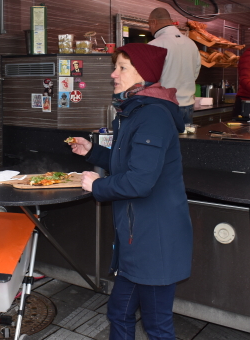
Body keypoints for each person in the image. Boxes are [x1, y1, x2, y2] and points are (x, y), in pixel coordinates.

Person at [67, 43, 193, 340]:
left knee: (156, 325)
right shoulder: (134, 111)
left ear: (144, 75)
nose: (114, 74)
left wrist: (97, 185)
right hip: (141, 236)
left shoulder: (152, 116)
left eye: (122, 67)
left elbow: (140, 180)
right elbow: (128, 161)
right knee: (120, 313)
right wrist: (93, 152)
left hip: (154, 240)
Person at [147, 7, 201, 124]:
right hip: (188, 106)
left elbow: (147, 79)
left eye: (149, 24)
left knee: (164, 142)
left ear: (154, 22)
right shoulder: (191, 44)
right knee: (185, 142)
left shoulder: (154, 45)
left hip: (164, 106)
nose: (149, 28)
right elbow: (195, 73)